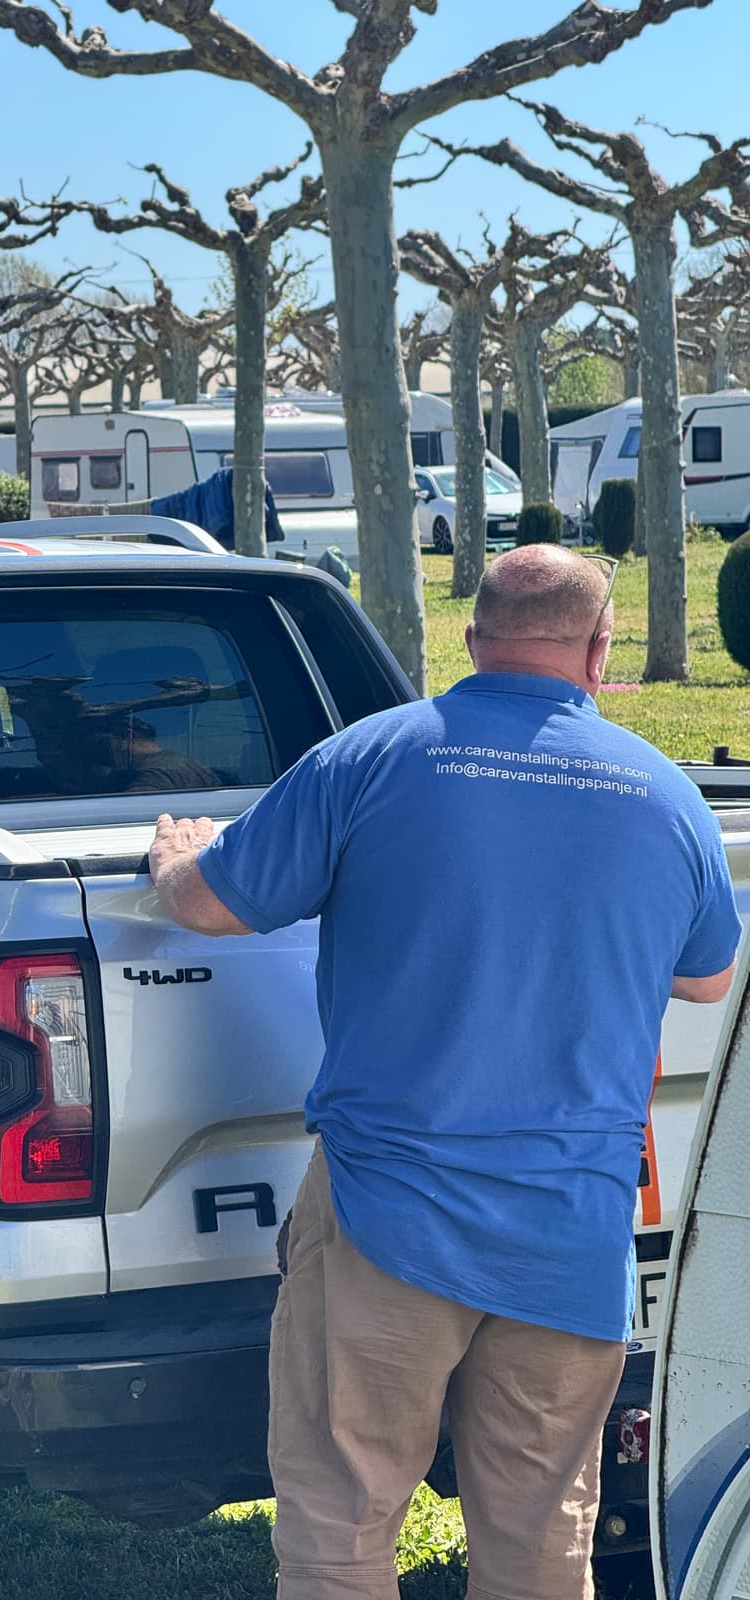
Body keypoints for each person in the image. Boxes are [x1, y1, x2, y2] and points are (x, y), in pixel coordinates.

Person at [148, 545, 741, 1600]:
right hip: (570, 1236)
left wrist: (175, 854)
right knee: (545, 1539)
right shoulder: (665, 797)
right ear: (600, 653)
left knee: (343, 1520)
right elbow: (708, 980)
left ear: (470, 639)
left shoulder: (372, 759)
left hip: (386, 1217)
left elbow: (211, 903)